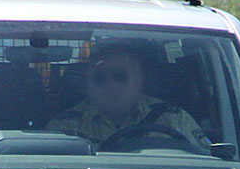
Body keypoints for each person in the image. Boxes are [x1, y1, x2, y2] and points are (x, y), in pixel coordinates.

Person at [47, 42, 212, 149]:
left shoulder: (175, 119)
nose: (110, 84)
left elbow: (207, 166)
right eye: (100, 78)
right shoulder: (66, 127)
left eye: (120, 76)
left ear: (139, 80)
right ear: (89, 84)